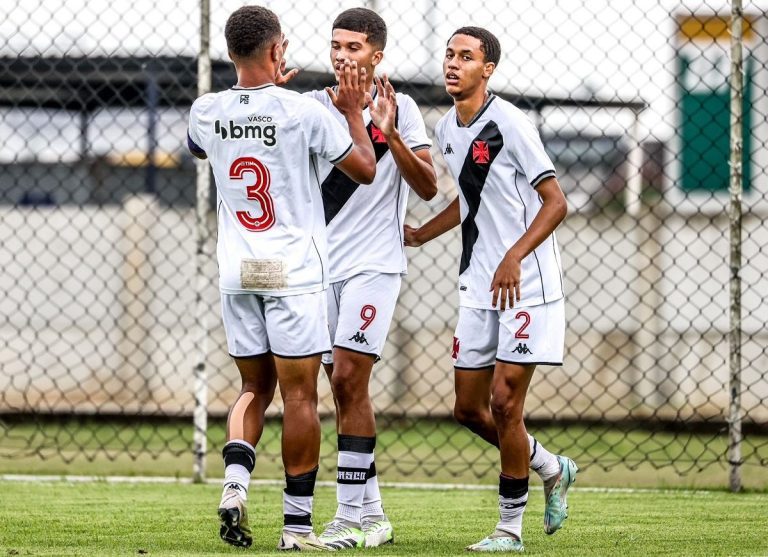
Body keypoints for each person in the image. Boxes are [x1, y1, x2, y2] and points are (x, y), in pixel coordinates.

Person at [186, 5, 395, 551]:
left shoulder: (205, 110)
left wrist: (255, 96)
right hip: (293, 274)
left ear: (230, 53)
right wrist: (352, 112)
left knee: (253, 387)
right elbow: (366, 168)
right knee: (300, 399)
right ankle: (297, 528)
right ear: (278, 52)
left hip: (237, 272)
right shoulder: (304, 112)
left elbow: (203, 144)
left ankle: (235, 486)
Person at [404, 26, 578, 552]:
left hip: (525, 284)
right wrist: (420, 233)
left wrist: (514, 255)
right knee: (467, 409)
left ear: (489, 69)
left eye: (466, 56)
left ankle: (509, 530)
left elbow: (556, 201)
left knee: (505, 406)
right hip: (478, 285)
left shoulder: (510, 123)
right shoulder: (446, 129)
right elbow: (470, 200)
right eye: (449, 55)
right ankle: (551, 466)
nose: (453, 64)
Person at [297, 8, 438, 549]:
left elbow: (427, 187)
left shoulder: (401, 109)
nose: (341, 55)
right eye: (336, 45)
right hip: (318, 267)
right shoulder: (311, 107)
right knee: (338, 387)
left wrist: (389, 134)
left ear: (377, 55)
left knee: (352, 379)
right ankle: (374, 515)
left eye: (353, 47)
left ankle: (349, 519)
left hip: (374, 266)